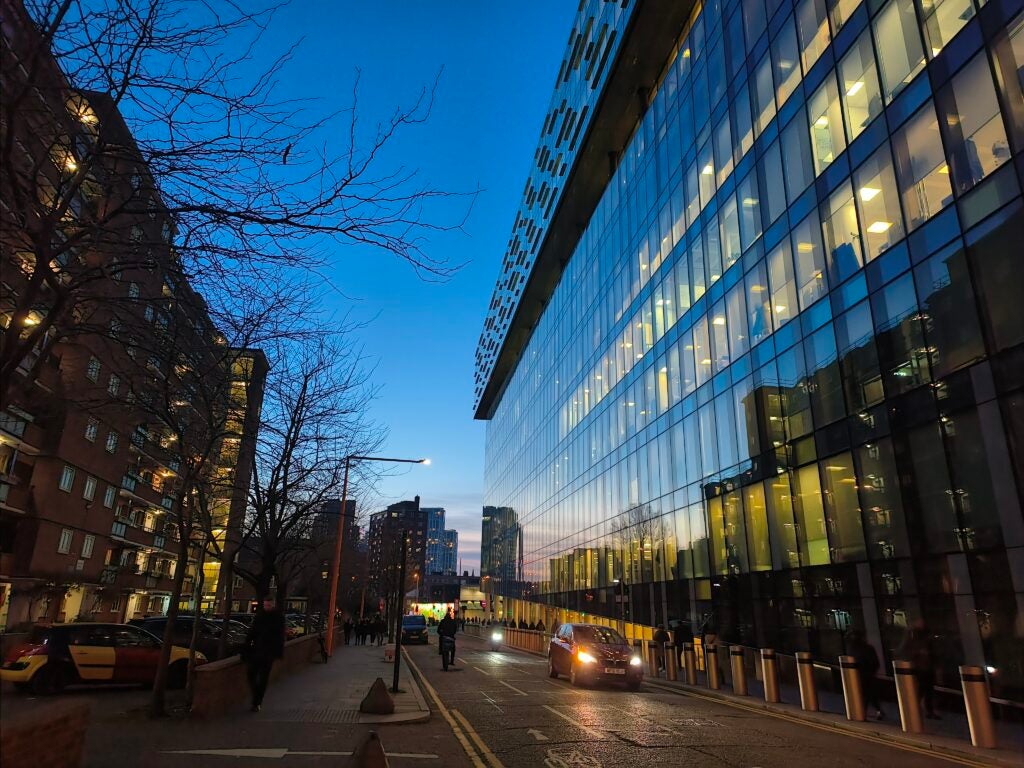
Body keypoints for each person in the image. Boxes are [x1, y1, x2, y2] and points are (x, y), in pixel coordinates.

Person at [245, 598, 285, 712]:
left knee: (263, 677)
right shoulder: (260, 616)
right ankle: (256, 696)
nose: (266, 607)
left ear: (272, 605)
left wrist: (278, 652)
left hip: (269, 652)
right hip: (258, 650)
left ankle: (257, 702)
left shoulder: (278, 618)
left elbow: (280, 636)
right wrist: (247, 643)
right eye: (265, 605)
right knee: (251, 673)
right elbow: (253, 631)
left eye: (268, 605)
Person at [899, 622, 940, 719]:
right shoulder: (916, 642)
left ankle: (925, 710)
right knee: (921, 691)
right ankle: (917, 709)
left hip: (925, 669)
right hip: (920, 669)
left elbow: (933, 655)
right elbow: (904, 650)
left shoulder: (925, 642)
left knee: (927, 691)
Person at [847, 630, 884, 720]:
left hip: (861, 675)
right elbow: (875, 663)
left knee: (866, 695)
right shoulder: (867, 648)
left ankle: (864, 712)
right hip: (866, 675)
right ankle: (876, 711)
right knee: (869, 695)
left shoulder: (853, 649)